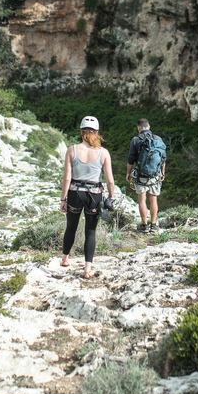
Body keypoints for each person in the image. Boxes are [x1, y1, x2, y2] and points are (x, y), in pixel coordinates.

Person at [60, 115, 117, 279]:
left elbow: (67, 178)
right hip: (94, 195)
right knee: (90, 231)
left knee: (71, 227)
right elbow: (110, 180)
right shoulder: (103, 152)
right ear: (97, 132)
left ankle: (65, 259)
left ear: (81, 132)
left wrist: (63, 199)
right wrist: (111, 197)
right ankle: (87, 269)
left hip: (75, 193)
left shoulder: (72, 150)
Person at [126, 118, 167, 233]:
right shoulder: (158, 139)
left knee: (142, 200)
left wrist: (128, 173)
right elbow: (163, 159)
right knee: (153, 199)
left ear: (138, 128)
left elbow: (130, 159)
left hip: (141, 176)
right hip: (155, 175)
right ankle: (153, 225)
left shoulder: (135, 140)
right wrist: (163, 172)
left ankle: (144, 225)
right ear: (149, 126)